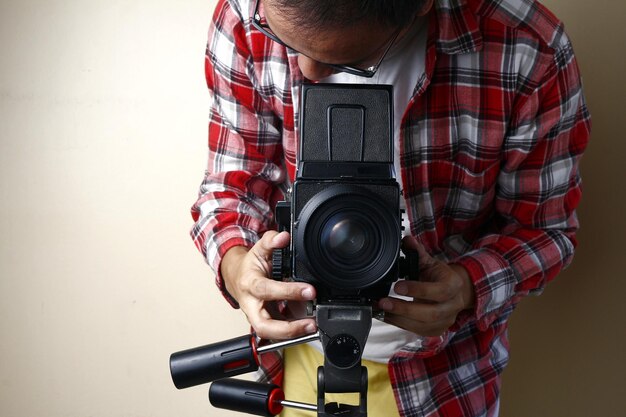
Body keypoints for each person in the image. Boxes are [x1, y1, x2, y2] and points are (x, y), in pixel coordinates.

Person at [190, 0, 590, 415]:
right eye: (283, 41)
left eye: (349, 61)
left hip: (444, 375)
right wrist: (239, 270)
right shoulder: (246, 13)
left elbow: (547, 230)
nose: (305, 73)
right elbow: (230, 186)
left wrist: (466, 286)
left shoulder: (526, 47)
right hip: (295, 356)